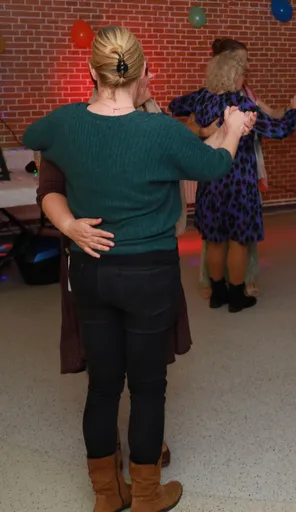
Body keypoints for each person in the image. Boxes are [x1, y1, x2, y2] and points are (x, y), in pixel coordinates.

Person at [23, 25, 253, 511]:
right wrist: (232, 130)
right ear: (144, 72)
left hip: (91, 268)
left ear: (92, 72)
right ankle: (146, 495)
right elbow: (213, 166)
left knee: (103, 386)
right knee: (148, 388)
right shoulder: (160, 130)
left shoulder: (65, 123)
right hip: (149, 273)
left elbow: (30, 136)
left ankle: (107, 496)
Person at [37, 76, 183, 470]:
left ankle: (134, 457)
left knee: (139, 370)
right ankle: (135, 462)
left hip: (139, 260)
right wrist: (69, 226)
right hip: (97, 257)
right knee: (115, 376)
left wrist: (148, 101)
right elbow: (49, 188)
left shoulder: (147, 125)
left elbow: (177, 150)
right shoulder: (71, 127)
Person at [168, 52, 296, 313]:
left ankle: (217, 293)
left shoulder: (201, 98)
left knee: (216, 239)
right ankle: (236, 296)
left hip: (210, 179)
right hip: (239, 183)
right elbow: (280, 130)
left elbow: (175, 105)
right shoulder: (241, 106)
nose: (245, 78)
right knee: (238, 241)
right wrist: (295, 109)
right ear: (235, 75)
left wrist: (199, 124)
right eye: (243, 73)